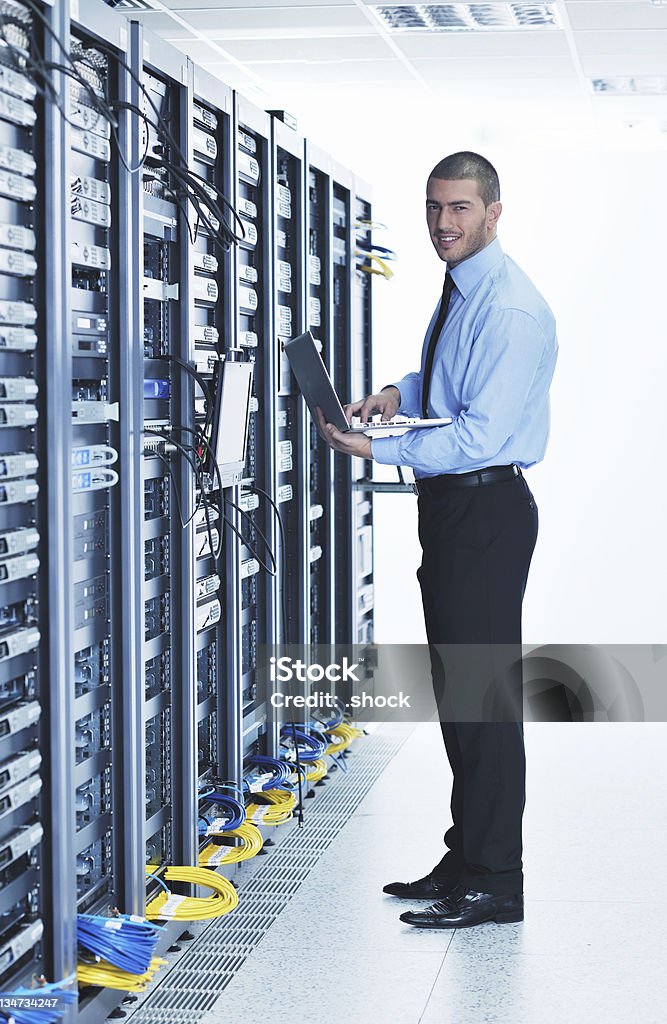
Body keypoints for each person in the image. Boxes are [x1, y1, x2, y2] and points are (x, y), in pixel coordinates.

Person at [316, 151, 557, 929]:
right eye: (433, 208)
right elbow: (450, 388)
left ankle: (496, 880)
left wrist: (374, 449)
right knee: (463, 697)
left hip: (483, 511)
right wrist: (394, 395)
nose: (442, 224)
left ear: (493, 211)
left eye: (458, 208)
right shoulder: (464, 291)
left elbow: (480, 434)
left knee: (483, 702)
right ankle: (467, 859)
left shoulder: (509, 309)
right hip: (456, 511)